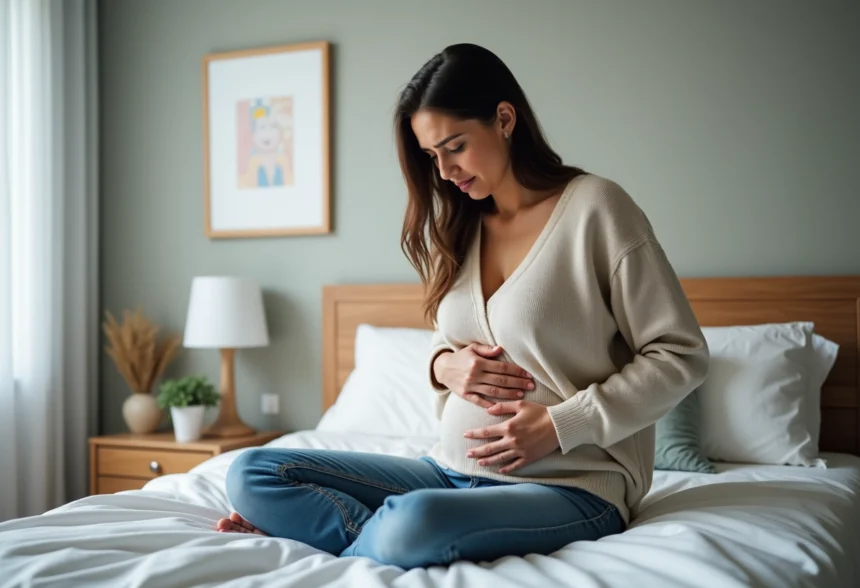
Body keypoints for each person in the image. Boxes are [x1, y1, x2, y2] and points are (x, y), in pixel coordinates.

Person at [216, 43, 709, 570]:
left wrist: (563, 423)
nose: (446, 171)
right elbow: (447, 340)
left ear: (503, 118)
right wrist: (442, 365)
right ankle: (373, 538)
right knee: (250, 473)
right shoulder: (461, 225)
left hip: (571, 487)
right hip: (447, 470)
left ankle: (350, 538)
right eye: (432, 156)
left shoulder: (596, 209)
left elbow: (680, 354)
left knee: (415, 521)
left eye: (455, 146)